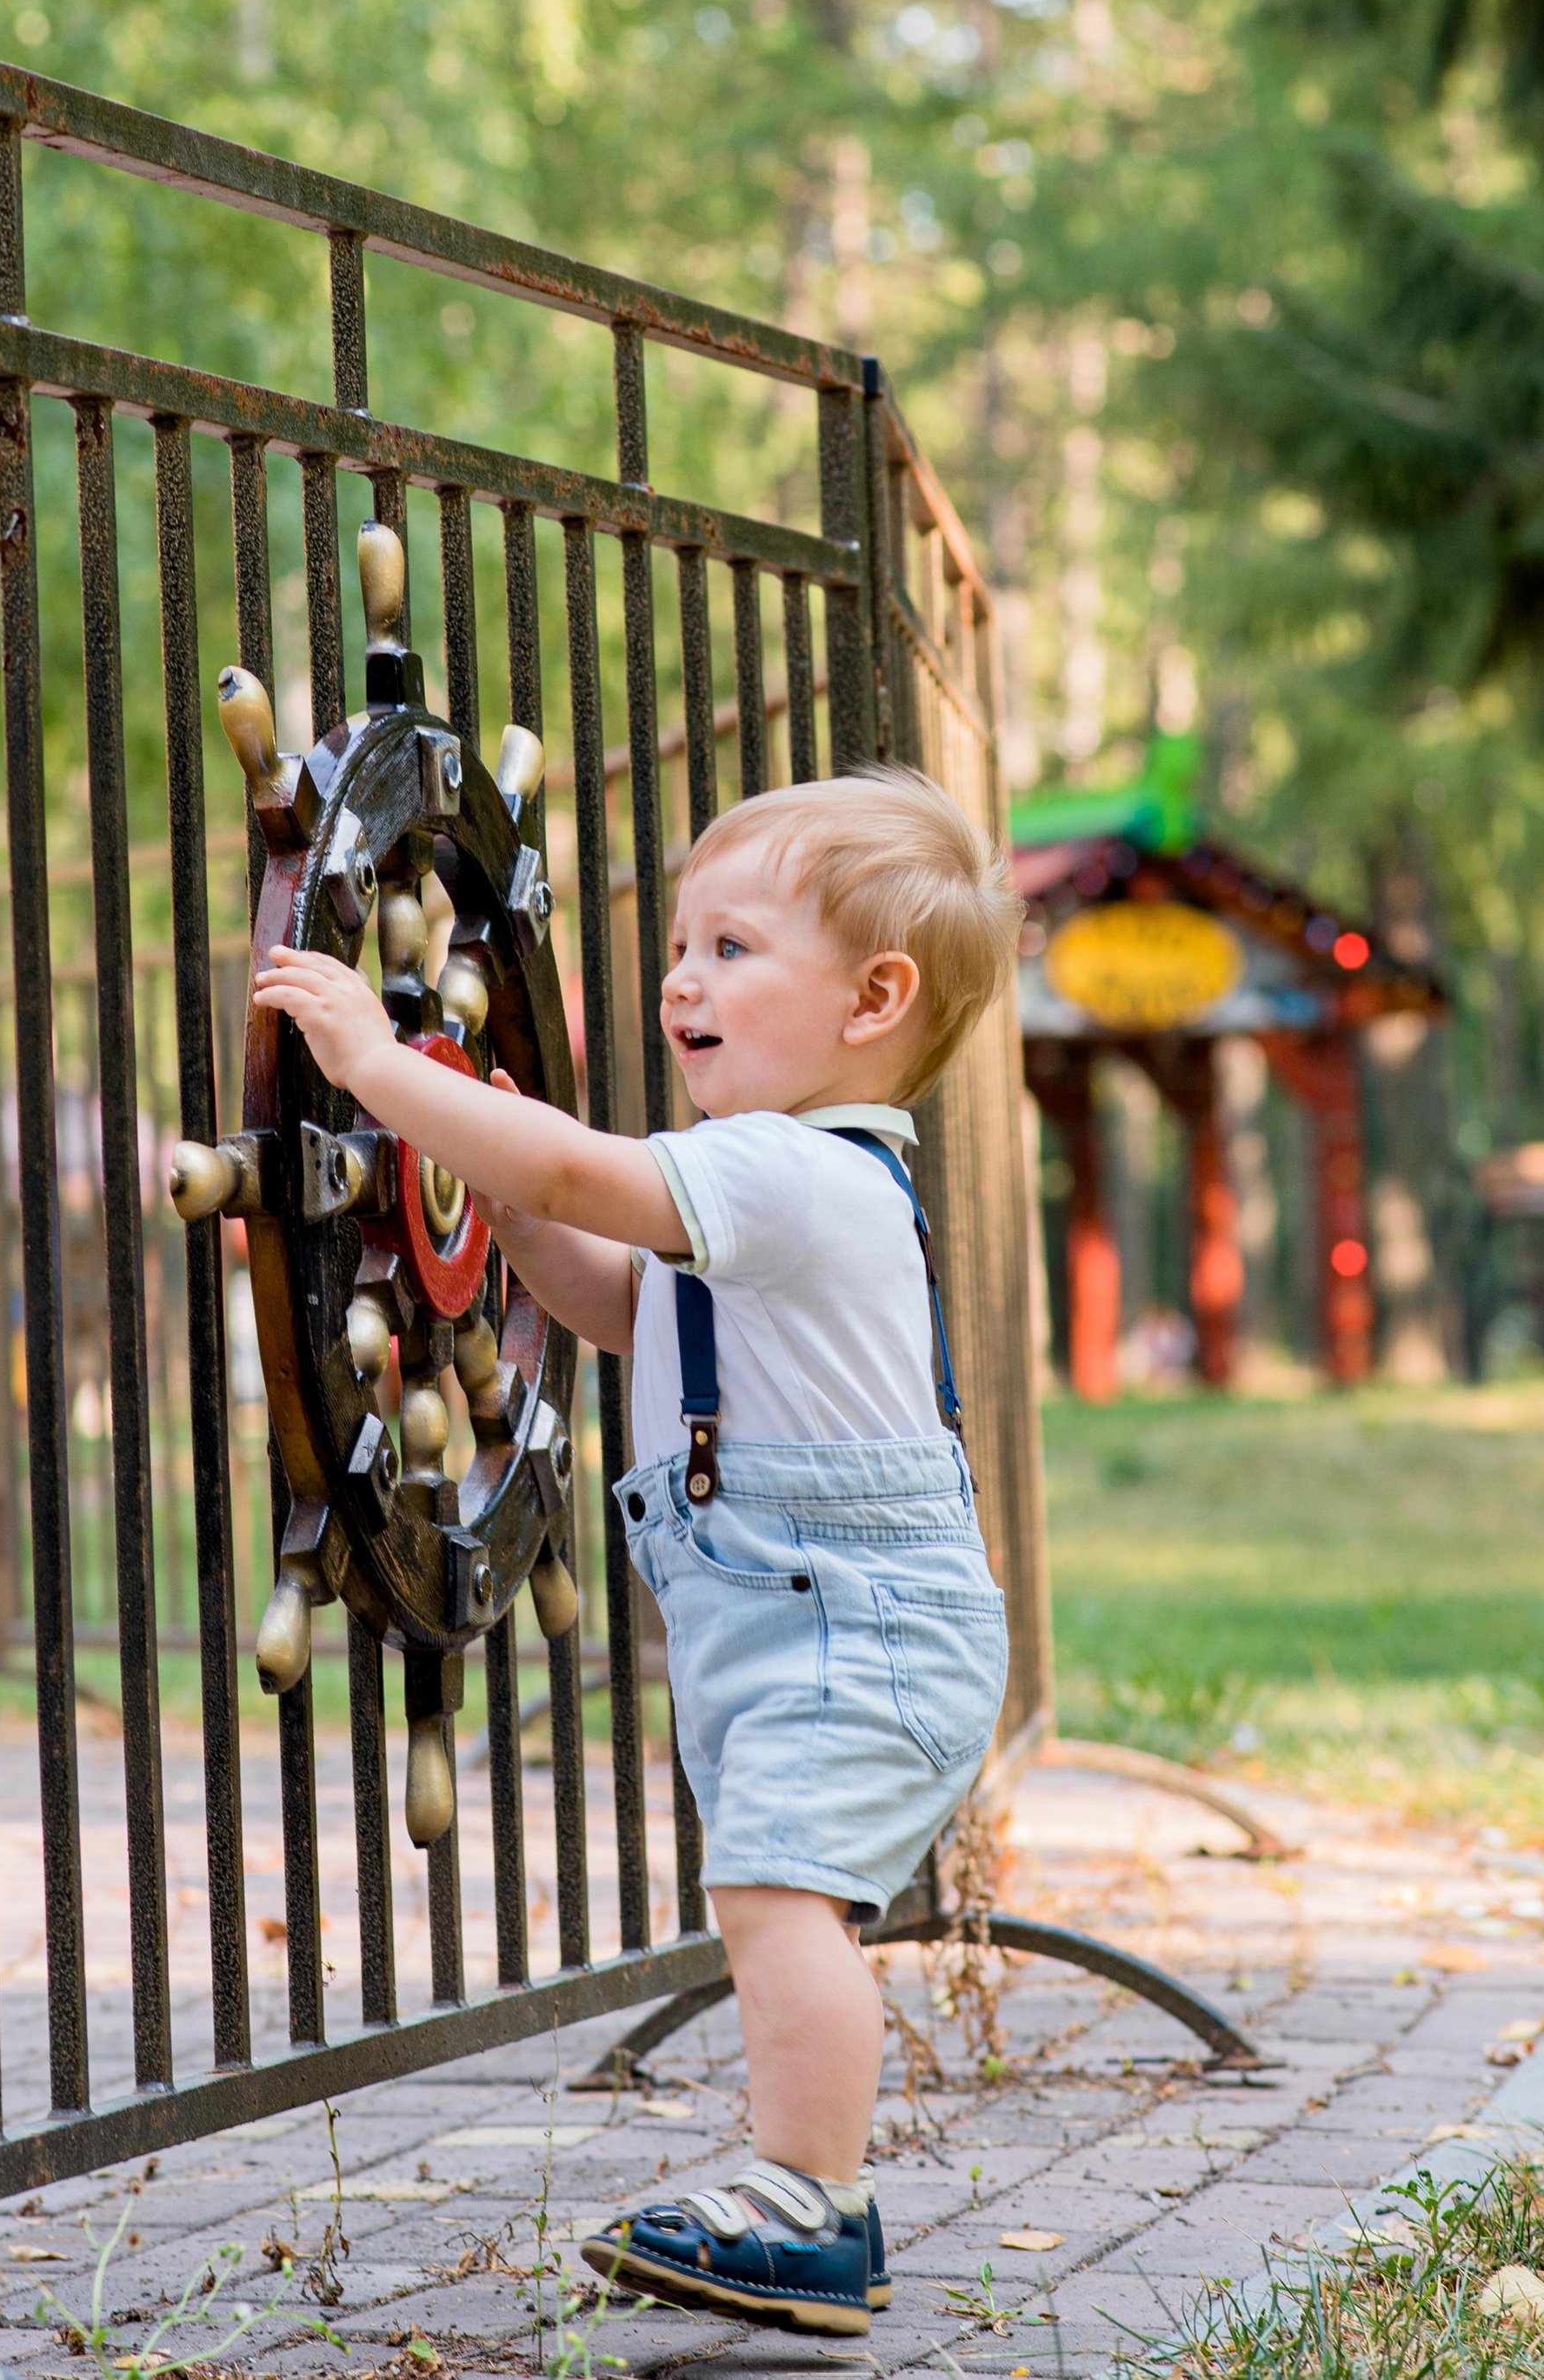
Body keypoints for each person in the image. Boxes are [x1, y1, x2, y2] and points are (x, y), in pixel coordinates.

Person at [255, 764, 1021, 2339]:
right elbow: (615, 1293)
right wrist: (498, 1218)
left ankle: (812, 2193)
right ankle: (818, 2204)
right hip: (803, 1612)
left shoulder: (789, 1165)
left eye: (733, 946)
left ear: (876, 998)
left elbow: (567, 1166)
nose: (683, 976)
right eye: (682, 943)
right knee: (772, 1887)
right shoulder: (760, 1182)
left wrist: (379, 1058)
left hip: (853, 1617)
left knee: (773, 1889)